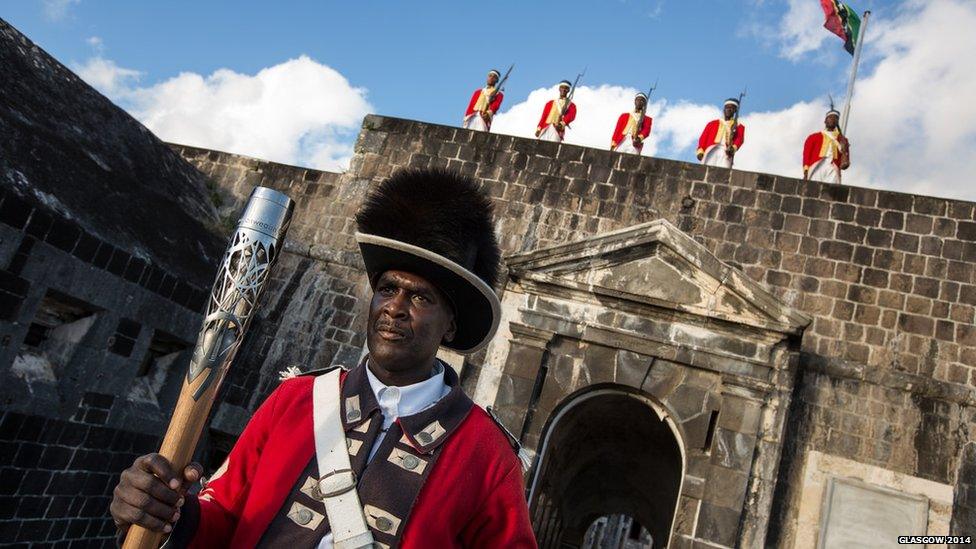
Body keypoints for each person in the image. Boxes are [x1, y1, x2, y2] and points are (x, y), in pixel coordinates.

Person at [110, 168, 537, 548]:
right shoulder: (294, 400)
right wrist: (166, 514)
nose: (395, 307)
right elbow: (224, 516)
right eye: (388, 289)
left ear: (450, 326)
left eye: (420, 296)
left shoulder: (487, 455)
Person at [803, 108, 850, 183]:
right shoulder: (813, 137)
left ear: (837, 122)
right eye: (830, 117)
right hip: (816, 166)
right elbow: (807, 154)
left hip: (833, 168)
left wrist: (844, 151)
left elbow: (845, 163)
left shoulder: (843, 140)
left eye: (835, 118)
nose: (833, 119)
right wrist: (806, 171)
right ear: (825, 121)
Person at [696, 98, 745, 168]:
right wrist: (700, 151)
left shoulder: (739, 126)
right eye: (727, 107)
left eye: (731, 108)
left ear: (735, 111)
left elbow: (739, 139)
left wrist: (733, 148)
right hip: (711, 149)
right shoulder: (712, 123)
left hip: (725, 151)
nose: (728, 109)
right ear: (724, 109)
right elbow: (703, 138)